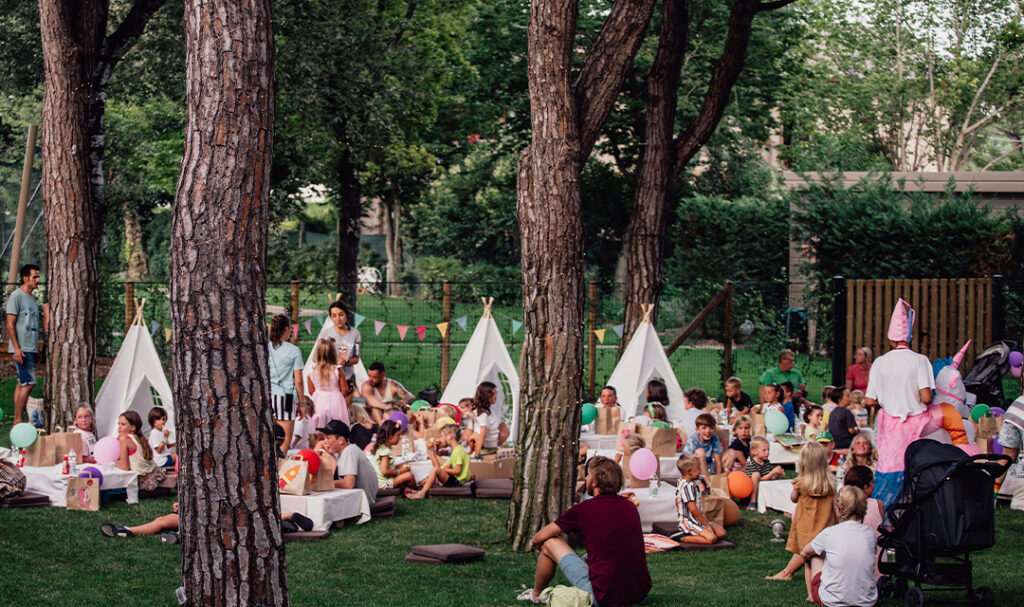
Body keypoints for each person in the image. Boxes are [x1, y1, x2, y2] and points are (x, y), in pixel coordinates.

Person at [515, 457, 651, 606]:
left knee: (549, 542)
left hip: (605, 597)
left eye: (588, 475)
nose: (585, 478)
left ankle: (535, 594)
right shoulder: (629, 506)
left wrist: (539, 547)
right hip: (640, 595)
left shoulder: (584, 509)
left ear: (594, 482)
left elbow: (538, 538)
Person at [864, 298, 937, 506]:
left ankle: (885, 509)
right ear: (909, 337)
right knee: (914, 466)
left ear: (890, 339)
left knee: (888, 466)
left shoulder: (880, 362)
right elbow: (926, 397)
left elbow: (870, 399)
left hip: (890, 424)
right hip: (915, 423)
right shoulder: (920, 360)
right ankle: (915, 506)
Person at [767, 441, 837, 584]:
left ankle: (810, 592)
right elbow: (835, 507)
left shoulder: (801, 483)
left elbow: (793, 499)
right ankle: (792, 574)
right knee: (821, 557)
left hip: (806, 528)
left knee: (807, 559)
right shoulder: (831, 483)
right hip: (825, 527)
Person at [799, 486, 878, 606]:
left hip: (832, 601)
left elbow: (805, 552)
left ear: (839, 509)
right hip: (867, 601)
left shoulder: (830, 533)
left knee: (815, 554)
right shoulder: (870, 533)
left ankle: (811, 596)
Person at [100, 502, 314, 544]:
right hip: (201, 513)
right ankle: (127, 530)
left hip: (221, 518)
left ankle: (180, 537)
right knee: (164, 520)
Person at [6, 264, 45, 424]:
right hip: (21, 348)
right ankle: (17, 421)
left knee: (22, 383)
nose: (38, 280)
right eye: (34, 277)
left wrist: (38, 349)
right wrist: (16, 348)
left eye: (38, 277)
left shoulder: (33, 299)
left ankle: (18, 419)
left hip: (32, 347)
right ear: (25, 278)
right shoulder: (16, 296)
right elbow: (10, 324)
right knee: (29, 383)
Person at [268, 313, 311, 452]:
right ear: (287, 329)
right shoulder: (293, 351)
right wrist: (302, 403)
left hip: (268, 396)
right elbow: (298, 381)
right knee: (284, 442)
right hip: (286, 397)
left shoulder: (265, 348)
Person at [314, 420, 377, 505]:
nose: (324, 442)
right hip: (361, 499)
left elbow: (348, 484)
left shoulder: (349, 451)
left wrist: (323, 484)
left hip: (362, 503)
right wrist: (330, 457)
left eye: (328, 438)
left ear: (340, 440)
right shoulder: (345, 452)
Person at [672, 453, 727, 544]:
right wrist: (707, 525)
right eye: (698, 469)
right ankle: (682, 538)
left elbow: (700, 480)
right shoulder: (686, 487)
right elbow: (693, 510)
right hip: (689, 522)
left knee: (721, 533)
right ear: (689, 472)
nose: (700, 471)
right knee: (711, 538)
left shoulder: (691, 481)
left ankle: (699, 532)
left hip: (698, 520)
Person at [842, 466, 885, 580]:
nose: (875, 485)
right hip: (878, 563)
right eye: (873, 483)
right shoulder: (878, 504)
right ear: (866, 487)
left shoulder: (841, 506)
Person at [408, 424, 471, 499]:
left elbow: (457, 471)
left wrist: (431, 452)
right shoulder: (456, 450)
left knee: (435, 470)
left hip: (457, 482)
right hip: (455, 479)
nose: (440, 439)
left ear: (450, 436)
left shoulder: (458, 451)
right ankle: (420, 489)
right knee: (435, 471)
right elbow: (443, 467)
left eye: (442, 436)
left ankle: (421, 494)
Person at [115, 411, 166, 491]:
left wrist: (114, 464)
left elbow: (125, 467)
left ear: (132, 428)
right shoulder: (138, 437)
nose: (119, 427)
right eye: (119, 424)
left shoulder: (124, 438)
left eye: (123, 424)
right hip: (154, 473)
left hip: (141, 480)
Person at [308, 337, 349, 427]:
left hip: (319, 401)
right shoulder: (337, 370)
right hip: (336, 402)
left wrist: (321, 396)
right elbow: (345, 390)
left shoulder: (312, 372)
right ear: (334, 354)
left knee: (318, 427)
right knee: (337, 427)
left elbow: (311, 391)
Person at [324, 300, 361, 395]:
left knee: (347, 407)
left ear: (346, 315)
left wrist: (346, 361)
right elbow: (317, 357)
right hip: (330, 378)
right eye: (334, 316)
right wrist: (332, 362)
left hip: (348, 377)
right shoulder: (326, 333)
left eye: (341, 314)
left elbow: (356, 358)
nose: (338, 319)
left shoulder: (355, 334)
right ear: (331, 317)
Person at [371, 420, 418, 494]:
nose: (400, 437)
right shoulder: (385, 452)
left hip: (386, 479)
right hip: (384, 483)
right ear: (389, 438)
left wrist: (402, 468)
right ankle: (415, 490)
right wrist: (399, 471)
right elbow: (384, 471)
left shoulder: (384, 447)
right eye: (398, 435)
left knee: (404, 464)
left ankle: (406, 488)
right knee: (409, 476)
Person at [745, 436, 784, 511]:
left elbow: (770, 477)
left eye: (768, 450)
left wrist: (777, 475)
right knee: (756, 474)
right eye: (764, 450)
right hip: (751, 491)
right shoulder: (752, 464)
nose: (767, 452)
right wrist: (772, 472)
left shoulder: (766, 462)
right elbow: (759, 480)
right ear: (755, 451)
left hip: (762, 489)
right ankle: (753, 502)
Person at [682, 413, 723, 478]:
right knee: (700, 452)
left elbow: (717, 459)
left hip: (709, 467)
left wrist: (718, 478)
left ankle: (717, 480)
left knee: (730, 454)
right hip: (696, 469)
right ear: (697, 430)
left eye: (711, 428)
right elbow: (686, 462)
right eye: (704, 428)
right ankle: (708, 483)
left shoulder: (714, 438)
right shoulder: (693, 440)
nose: (708, 431)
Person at [468, 381, 501, 457]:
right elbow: (482, 434)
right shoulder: (483, 414)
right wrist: (477, 454)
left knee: (503, 427)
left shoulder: (488, 410)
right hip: (487, 446)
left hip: (491, 443)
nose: (496, 396)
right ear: (487, 395)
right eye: (494, 393)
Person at [826, 386, 857, 451]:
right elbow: (851, 430)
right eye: (848, 396)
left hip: (835, 443)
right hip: (846, 444)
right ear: (840, 400)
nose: (850, 398)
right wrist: (858, 431)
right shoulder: (847, 413)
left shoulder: (833, 412)